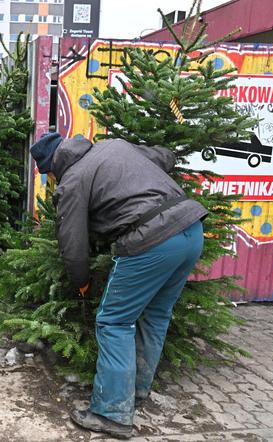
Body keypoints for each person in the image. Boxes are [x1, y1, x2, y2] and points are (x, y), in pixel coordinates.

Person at [30, 134, 207, 439]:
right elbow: (163, 156)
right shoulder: (113, 146)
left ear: (54, 165)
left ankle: (112, 413)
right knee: (156, 314)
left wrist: (82, 282)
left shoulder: (72, 180)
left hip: (152, 239)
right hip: (192, 227)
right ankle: (136, 391)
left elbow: (72, 244)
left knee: (113, 321)